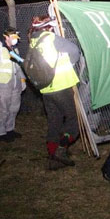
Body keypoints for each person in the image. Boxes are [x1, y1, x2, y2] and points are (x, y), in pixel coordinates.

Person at [27, 14, 80, 170]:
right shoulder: (51, 38)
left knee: (54, 121)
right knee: (73, 121)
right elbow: (74, 51)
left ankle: (52, 155)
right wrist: (69, 62)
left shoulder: (33, 40)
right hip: (61, 86)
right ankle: (61, 149)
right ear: (49, 26)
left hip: (45, 89)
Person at [0, 27, 26, 142]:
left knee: (14, 108)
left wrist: (22, 80)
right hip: (3, 84)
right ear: (6, 37)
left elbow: (18, 66)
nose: (15, 40)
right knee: (3, 109)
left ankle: (10, 129)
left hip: (15, 83)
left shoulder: (15, 50)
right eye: (12, 37)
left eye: (16, 38)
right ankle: (1, 132)